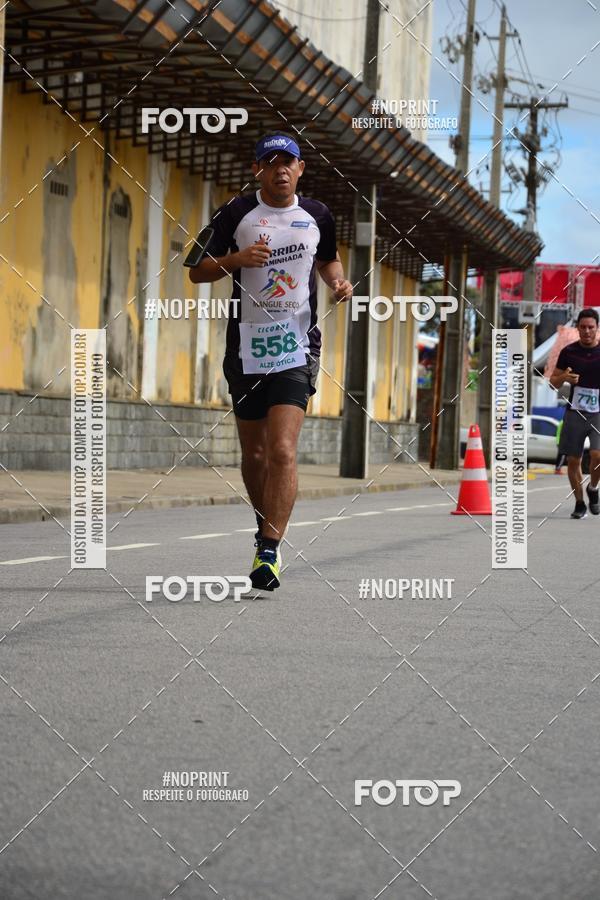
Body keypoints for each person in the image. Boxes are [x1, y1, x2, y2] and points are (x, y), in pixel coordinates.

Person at [189, 132, 352, 589]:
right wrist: (237, 258)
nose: (281, 169)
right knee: (255, 453)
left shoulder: (317, 214)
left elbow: (330, 261)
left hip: (297, 346)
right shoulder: (236, 212)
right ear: (257, 168)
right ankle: (264, 527)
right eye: (271, 161)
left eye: (289, 162)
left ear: (301, 169)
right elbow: (197, 271)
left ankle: (269, 547)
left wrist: (339, 283)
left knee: (282, 449)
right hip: (245, 346)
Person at [550, 308, 600, 518]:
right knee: (573, 461)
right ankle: (580, 503)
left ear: (597, 329)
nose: (587, 331)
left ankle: (593, 489)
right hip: (574, 412)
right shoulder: (569, 351)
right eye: (583, 327)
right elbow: (553, 382)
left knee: (598, 455)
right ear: (577, 328)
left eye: (591, 327)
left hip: (598, 412)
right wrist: (565, 379)